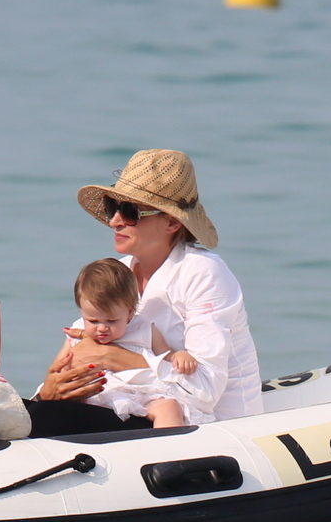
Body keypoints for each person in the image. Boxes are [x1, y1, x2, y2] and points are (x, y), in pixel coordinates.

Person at [39, 149, 263, 421]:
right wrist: (50, 390)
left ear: (172, 222)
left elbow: (203, 391)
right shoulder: (117, 272)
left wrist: (110, 357)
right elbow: (82, 353)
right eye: (112, 207)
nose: (114, 221)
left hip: (216, 426)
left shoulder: (203, 272)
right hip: (133, 412)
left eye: (130, 211)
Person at [59, 258, 212, 428]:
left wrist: (180, 356)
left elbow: (166, 355)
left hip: (140, 393)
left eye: (111, 321)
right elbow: (61, 367)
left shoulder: (144, 329)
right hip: (95, 393)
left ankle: (167, 443)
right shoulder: (77, 331)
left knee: (169, 407)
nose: (102, 328)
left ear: (129, 313)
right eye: (93, 321)